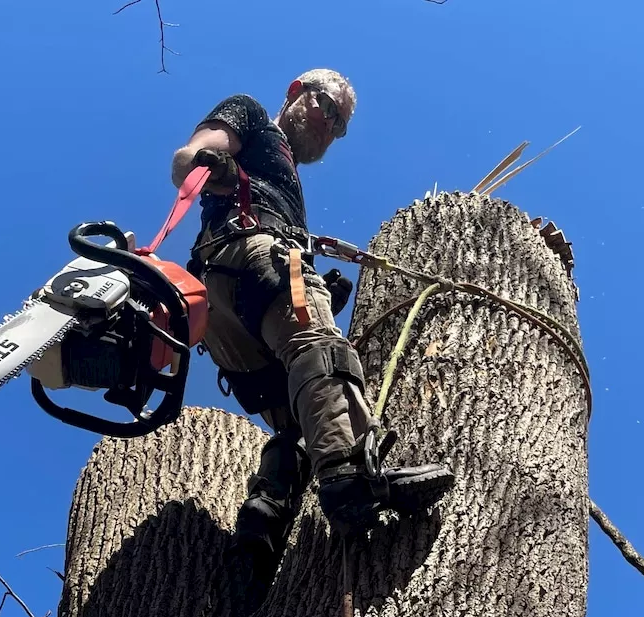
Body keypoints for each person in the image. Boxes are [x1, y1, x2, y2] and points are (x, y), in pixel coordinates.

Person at [169, 69, 454, 558]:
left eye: (339, 125)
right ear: (296, 92)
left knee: (298, 422)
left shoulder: (286, 178)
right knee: (322, 349)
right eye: (328, 108)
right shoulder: (253, 117)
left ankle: (263, 522)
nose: (330, 127)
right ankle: (351, 473)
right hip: (249, 255)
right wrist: (206, 162)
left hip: (223, 310)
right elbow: (185, 161)